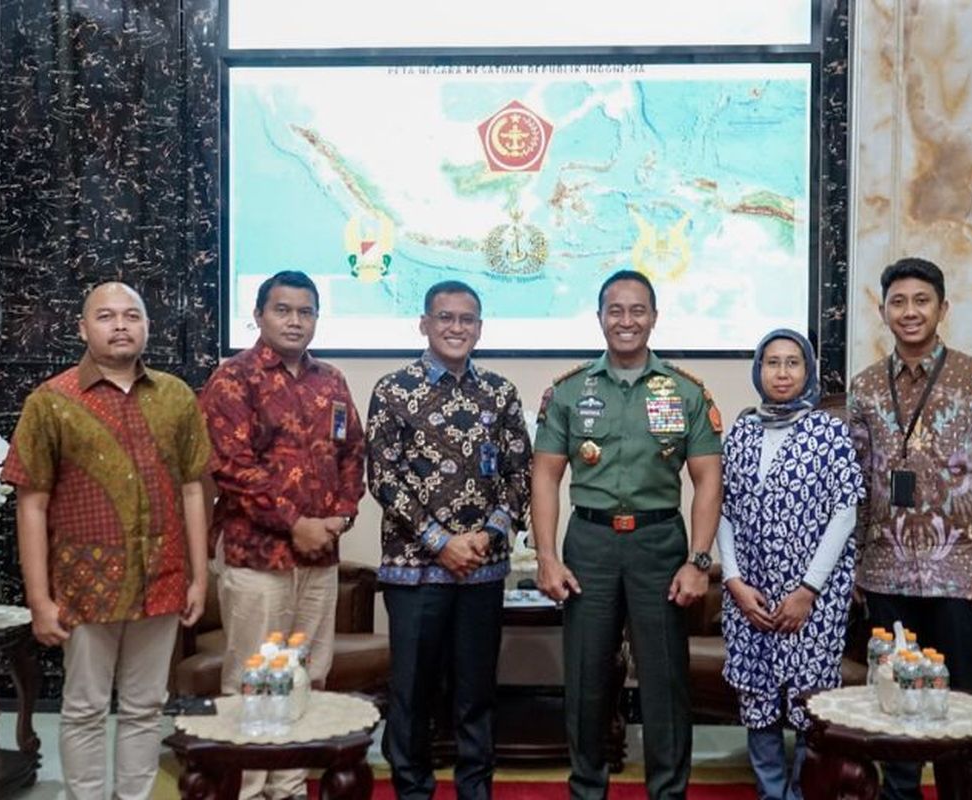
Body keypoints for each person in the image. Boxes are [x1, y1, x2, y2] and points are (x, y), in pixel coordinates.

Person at [2, 282, 212, 800]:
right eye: (106, 316)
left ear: (147, 327)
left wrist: (199, 576)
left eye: (132, 315)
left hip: (161, 582)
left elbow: (193, 490)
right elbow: (31, 504)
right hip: (83, 588)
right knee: (85, 708)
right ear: (82, 328)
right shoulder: (51, 401)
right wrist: (39, 599)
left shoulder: (176, 396)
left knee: (145, 707)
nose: (120, 325)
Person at [532, 269, 724, 800]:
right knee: (587, 680)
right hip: (589, 545)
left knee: (665, 683)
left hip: (659, 544)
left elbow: (708, 480)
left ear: (654, 318)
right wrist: (547, 556)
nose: (626, 321)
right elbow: (545, 476)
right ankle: (587, 790)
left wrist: (698, 561)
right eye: (615, 310)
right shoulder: (570, 391)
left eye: (637, 310)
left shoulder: (685, 392)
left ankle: (668, 792)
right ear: (599, 318)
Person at [849, 257, 972, 799]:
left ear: (942, 308)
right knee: (892, 702)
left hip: (961, 574)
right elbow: (854, 483)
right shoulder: (865, 388)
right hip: (885, 573)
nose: (910, 312)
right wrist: (854, 564)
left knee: (966, 705)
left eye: (921, 301)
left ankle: (967, 793)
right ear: (883, 312)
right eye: (898, 302)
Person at [200, 269, 365, 800]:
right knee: (252, 680)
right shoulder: (233, 379)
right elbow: (232, 468)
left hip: (320, 558)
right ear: (259, 315)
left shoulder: (331, 381)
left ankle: (291, 787)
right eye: (283, 310)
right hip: (257, 558)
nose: (295, 321)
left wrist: (338, 519)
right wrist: (296, 523)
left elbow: (352, 456)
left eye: (306, 311)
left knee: (308, 675)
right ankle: (247, 790)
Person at [366, 280, 532, 800]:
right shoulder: (393, 390)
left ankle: (474, 790)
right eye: (445, 318)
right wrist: (441, 541)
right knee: (412, 692)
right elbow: (384, 478)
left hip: (481, 570)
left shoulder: (500, 393)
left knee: (475, 691)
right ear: (424, 323)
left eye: (467, 320)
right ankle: (412, 790)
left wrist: (489, 534)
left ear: (479, 329)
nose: (456, 328)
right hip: (414, 571)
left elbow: (519, 474)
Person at [717, 329, 864, 800]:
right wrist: (734, 580)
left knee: (809, 701)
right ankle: (771, 792)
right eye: (772, 362)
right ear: (758, 371)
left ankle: (805, 792)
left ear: (808, 372)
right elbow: (724, 509)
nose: (782, 373)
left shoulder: (829, 431)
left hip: (812, 597)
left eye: (793, 363)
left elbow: (845, 512)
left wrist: (807, 590)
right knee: (758, 700)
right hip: (751, 594)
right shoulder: (742, 430)